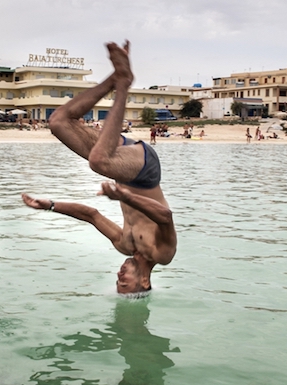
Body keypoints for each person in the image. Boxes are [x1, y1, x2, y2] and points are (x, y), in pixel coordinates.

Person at [22, 41, 176, 296]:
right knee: (98, 162)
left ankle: (114, 78)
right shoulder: (163, 253)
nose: (119, 275)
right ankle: (123, 85)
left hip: (122, 166)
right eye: (124, 283)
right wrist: (125, 196)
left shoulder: (123, 244)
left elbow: (91, 215)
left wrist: (50, 205)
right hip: (144, 172)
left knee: (59, 122)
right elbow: (165, 217)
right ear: (145, 282)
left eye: (118, 282)